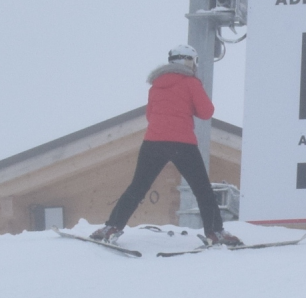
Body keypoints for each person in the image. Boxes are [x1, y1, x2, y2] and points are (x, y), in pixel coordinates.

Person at [91, 45, 242, 246]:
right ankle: (215, 232)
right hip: (182, 143)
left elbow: (150, 115)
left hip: (153, 142)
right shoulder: (191, 83)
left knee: (137, 187)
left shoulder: (156, 86)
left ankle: (111, 227)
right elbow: (206, 112)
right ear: (190, 62)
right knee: (202, 190)